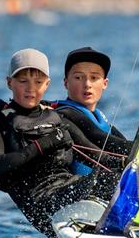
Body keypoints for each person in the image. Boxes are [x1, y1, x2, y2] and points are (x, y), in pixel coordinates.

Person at [0, 48, 122, 238]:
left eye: (38, 82)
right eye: (23, 81)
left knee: (117, 180)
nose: (31, 89)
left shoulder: (56, 118)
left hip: (69, 188)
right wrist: (41, 145)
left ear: (47, 84)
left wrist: (129, 163)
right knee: (99, 182)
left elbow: (93, 154)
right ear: (9, 82)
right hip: (40, 201)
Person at [51, 46, 132, 175]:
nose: (87, 84)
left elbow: (124, 145)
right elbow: (99, 138)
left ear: (105, 83)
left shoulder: (101, 120)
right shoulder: (63, 114)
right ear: (66, 83)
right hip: (80, 190)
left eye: (94, 78)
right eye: (78, 78)